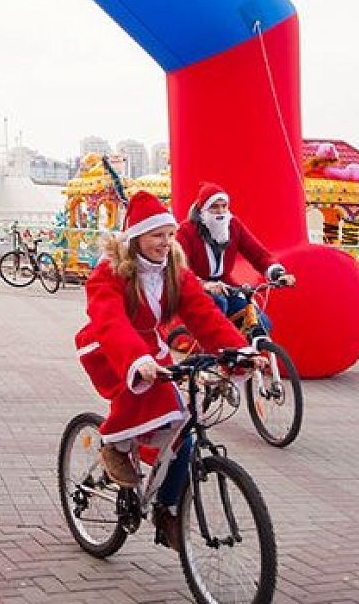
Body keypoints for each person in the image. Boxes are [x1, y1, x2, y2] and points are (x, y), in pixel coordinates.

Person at [74, 191, 254, 549]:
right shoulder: (110, 272)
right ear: (137, 237)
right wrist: (136, 361)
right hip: (109, 348)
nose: (166, 242)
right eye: (157, 235)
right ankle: (113, 444)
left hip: (151, 351)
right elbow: (109, 320)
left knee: (184, 430)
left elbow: (204, 315)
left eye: (170, 234)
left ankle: (167, 508)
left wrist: (238, 351)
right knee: (157, 399)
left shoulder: (175, 271)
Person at [175, 182, 293, 319]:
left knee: (260, 320)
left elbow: (258, 254)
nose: (220, 212)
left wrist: (278, 273)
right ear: (203, 210)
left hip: (227, 287)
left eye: (224, 206)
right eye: (214, 207)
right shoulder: (186, 231)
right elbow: (178, 267)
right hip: (196, 288)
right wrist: (203, 284)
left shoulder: (233, 226)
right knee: (219, 304)